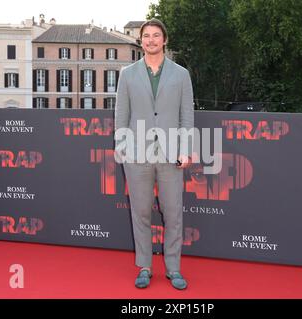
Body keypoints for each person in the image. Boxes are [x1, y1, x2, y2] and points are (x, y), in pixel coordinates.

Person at [114, 18, 194, 290]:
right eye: (146, 35)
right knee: (141, 213)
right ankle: (145, 267)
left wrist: (186, 149)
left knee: (173, 214)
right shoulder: (127, 74)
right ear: (141, 40)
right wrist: (123, 147)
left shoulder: (181, 74)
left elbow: (187, 115)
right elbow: (121, 115)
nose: (151, 40)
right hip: (137, 154)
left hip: (171, 154)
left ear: (164, 40)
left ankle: (173, 268)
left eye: (156, 35)